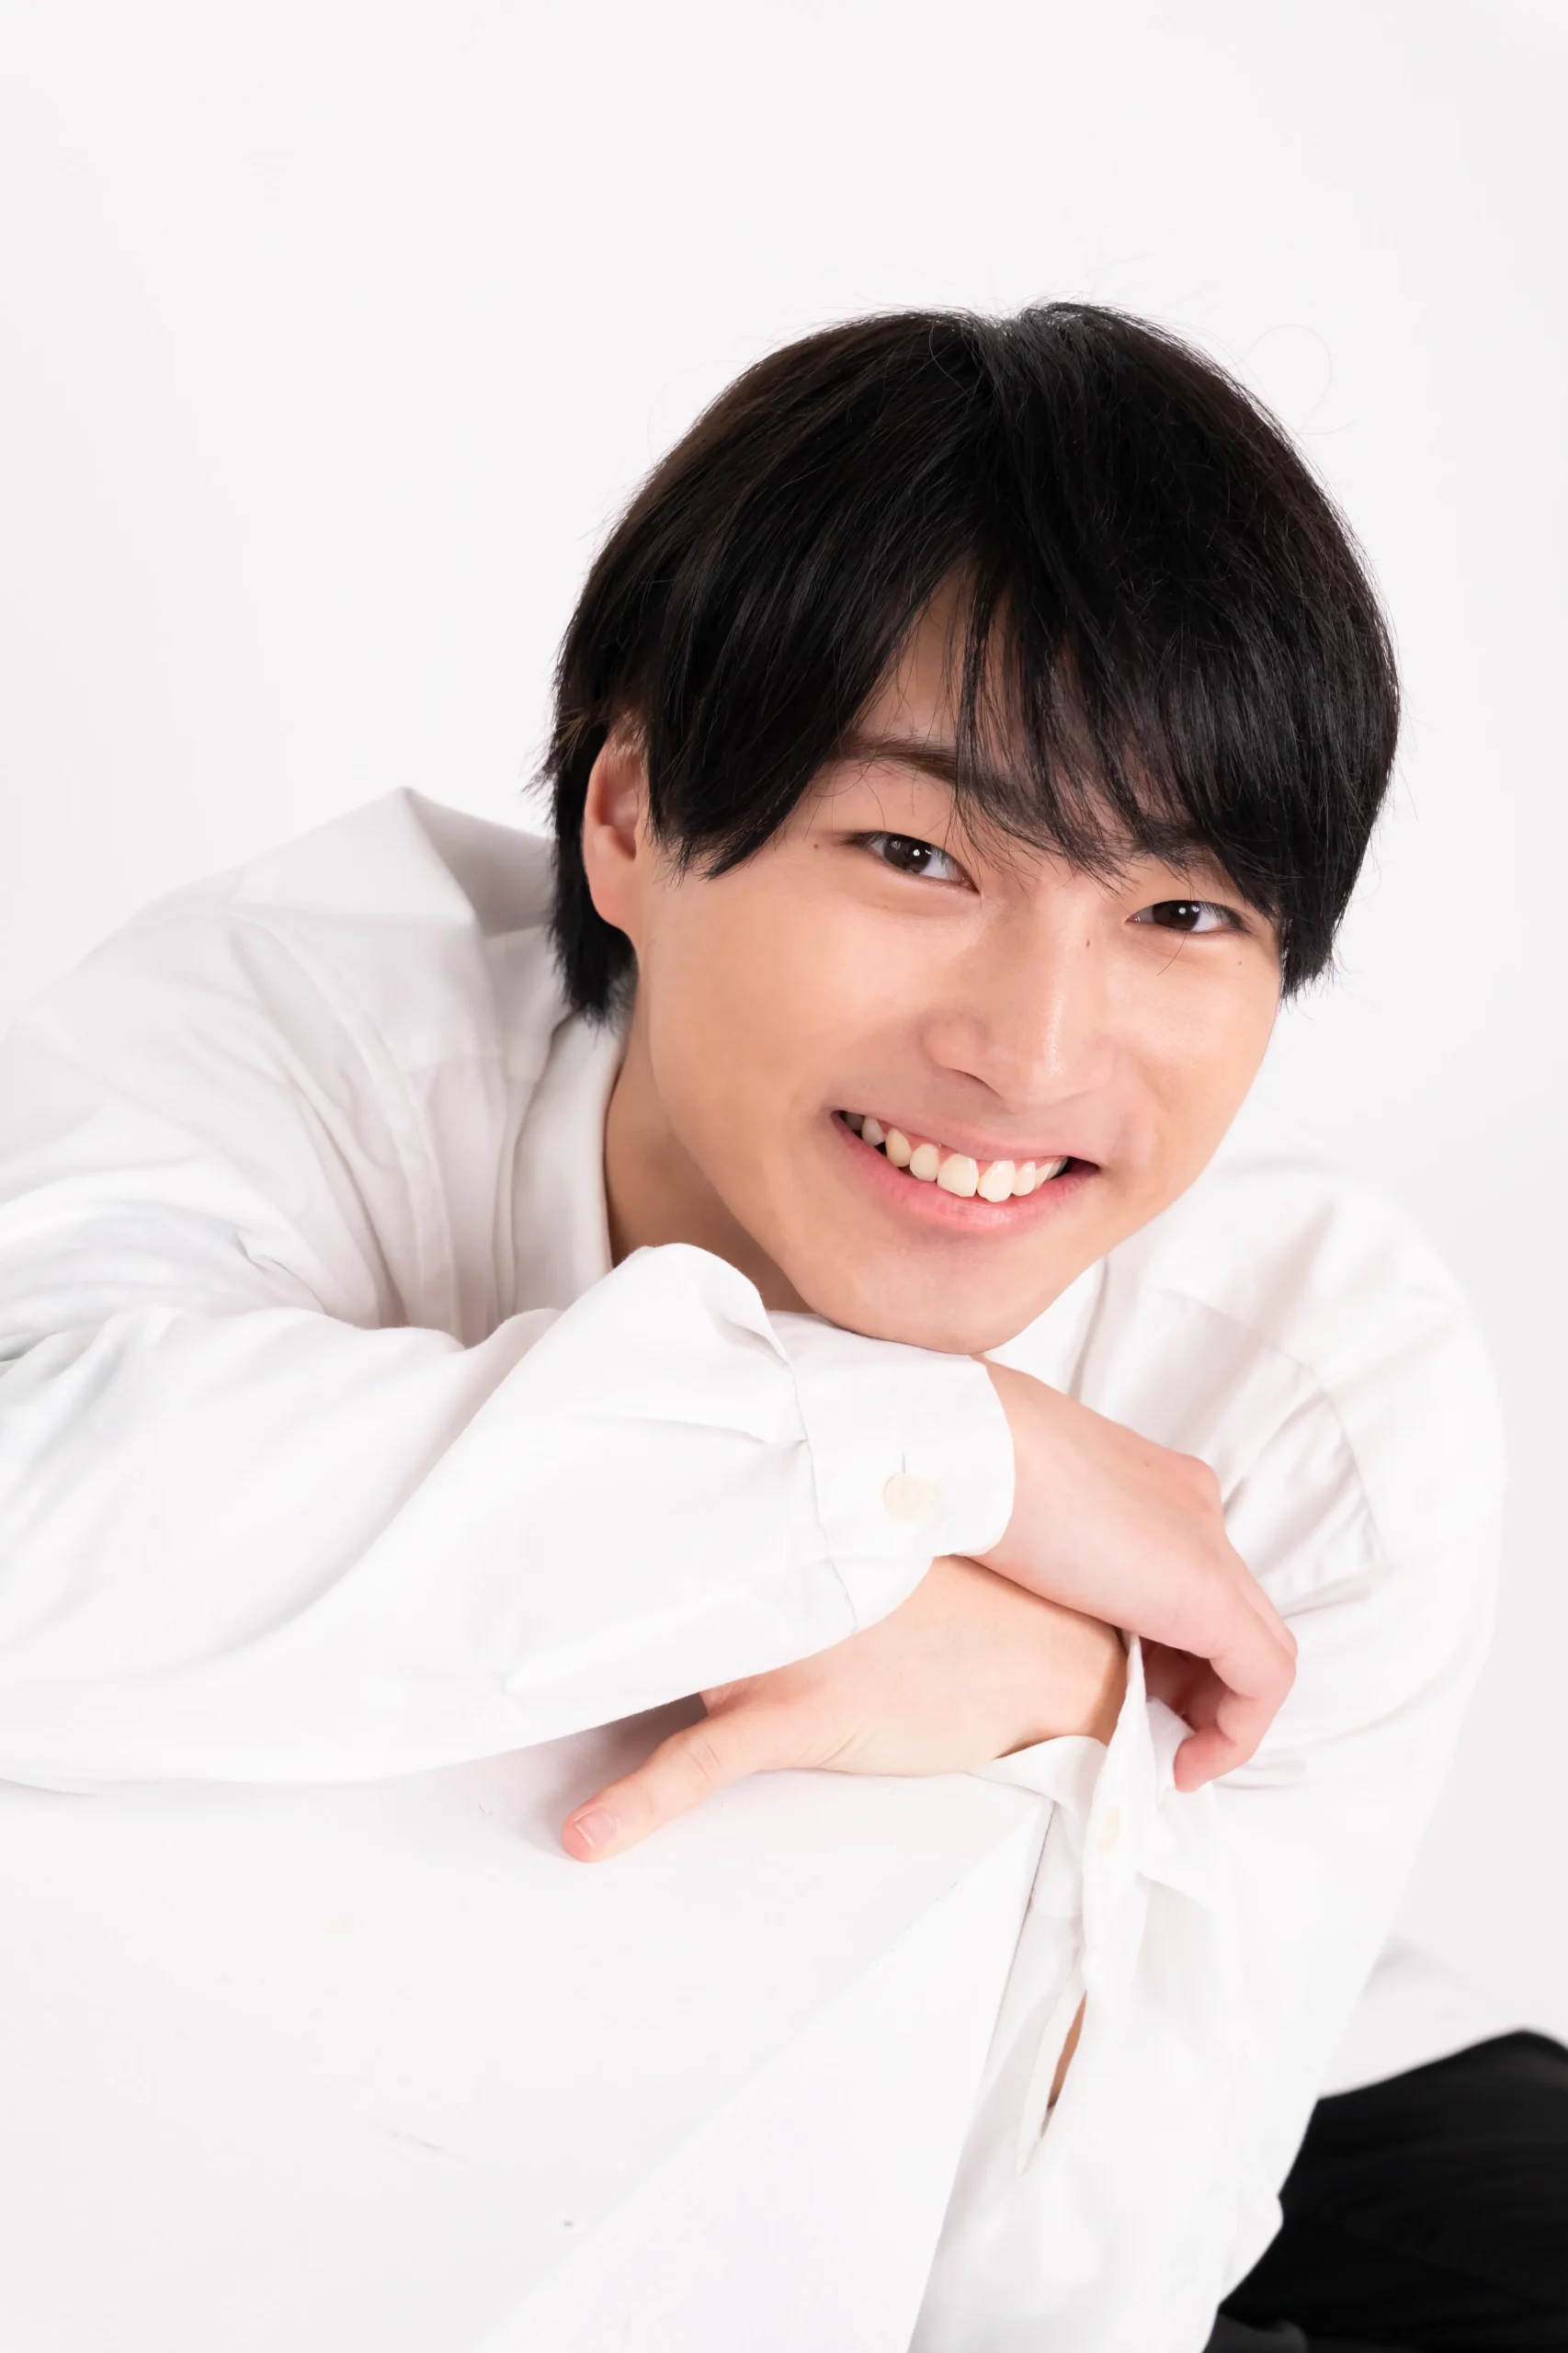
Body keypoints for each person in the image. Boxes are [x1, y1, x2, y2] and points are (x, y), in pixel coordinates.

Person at [0, 302, 1553, 2349]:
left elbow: (1062, 2293)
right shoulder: (318, 1031)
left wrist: (1053, 1728)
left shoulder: (1315, 1382)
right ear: (629, 818)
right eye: (916, 854)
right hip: (465, 2084)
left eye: (1181, 912)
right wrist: (942, 1468)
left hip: (1215, 2079)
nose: (1032, 1051)